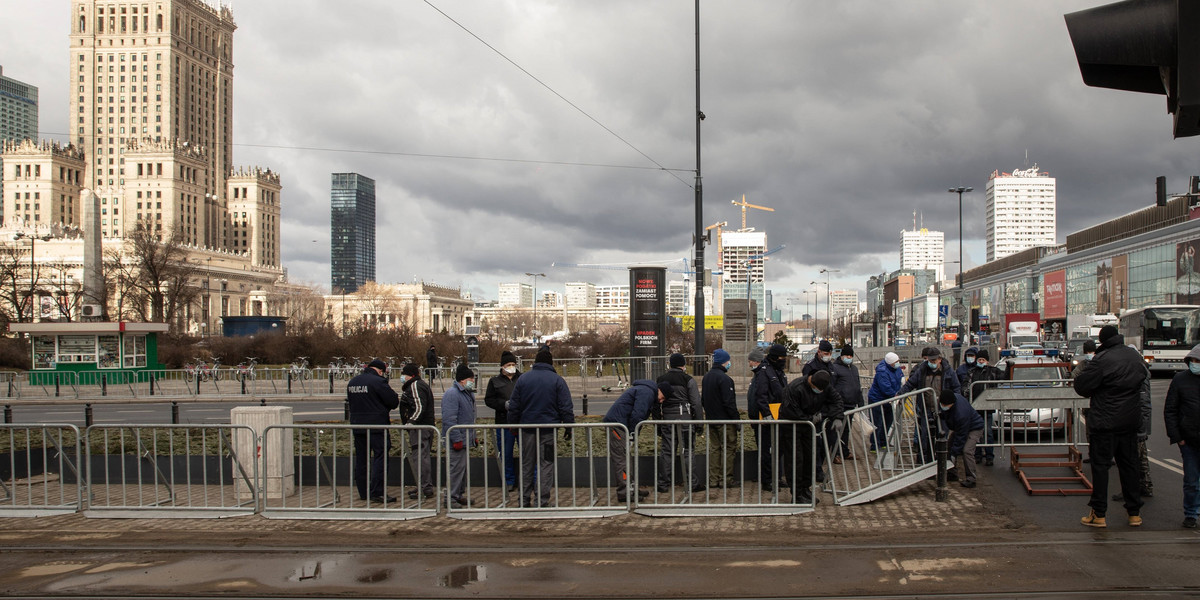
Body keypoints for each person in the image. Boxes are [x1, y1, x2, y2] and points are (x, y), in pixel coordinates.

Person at [1074, 325, 1146, 528]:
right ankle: (1134, 513)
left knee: (1101, 467)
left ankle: (1099, 514)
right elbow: (1142, 378)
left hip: (1104, 422)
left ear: (1103, 340)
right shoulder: (1134, 357)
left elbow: (1082, 386)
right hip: (1129, 420)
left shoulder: (1102, 360)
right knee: (1129, 466)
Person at [507, 348, 575, 508]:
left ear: (535, 362)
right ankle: (541, 502)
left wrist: (512, 425)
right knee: (546, 465)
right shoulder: (557, 380)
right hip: (548, 431)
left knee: (526, 465)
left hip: (527, 430)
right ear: (550, 363)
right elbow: (566, 406)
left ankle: (523, 501)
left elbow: (514, 406)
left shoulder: (523, 379)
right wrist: (569, 426)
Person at [780, 370, 842, 504]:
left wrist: (837, 417)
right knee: (796, 460)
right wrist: (809, 418)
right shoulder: (795, 388)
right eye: (817, 389)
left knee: (809, 458)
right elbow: (790, 410)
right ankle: (796, 494)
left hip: (808, 428)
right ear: (811, 382)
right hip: (792, 427)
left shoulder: (824, 386)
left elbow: (836, 399)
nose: (819, 391)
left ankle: (805, 489)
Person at [605, 380, 670, 502]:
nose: (661, 401)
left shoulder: (646, 391)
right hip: (618, 426)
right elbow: (638, 414)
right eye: (662, 398)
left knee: (626, 459)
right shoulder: (647, 393)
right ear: (660, 391)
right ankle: (625, 492)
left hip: (620, 424)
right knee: (622, 460)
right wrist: (632, 434)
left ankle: (631, 489)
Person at [347, 358, 400, 503]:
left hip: (358, 426)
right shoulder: (378, 382)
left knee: (361, 459)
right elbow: (393, 401)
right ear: (380, 370)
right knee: (380, 458)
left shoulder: (353, 382)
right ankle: (377, 492)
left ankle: (363, 492)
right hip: (377, 426)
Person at [899, 346, 962, 464]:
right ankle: (924, 461)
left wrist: (955, 403)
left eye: (934, 360)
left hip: (943, 409)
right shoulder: (922, 370)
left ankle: (941, 462)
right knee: (925, 437)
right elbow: (910, 384)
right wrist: (900, 395)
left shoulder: (948, 371)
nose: (931, 363)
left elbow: (956, 388)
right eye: (930, 360)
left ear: (939, 359)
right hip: (926, 408)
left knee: (942, 435)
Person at [656, 353, 704, 493]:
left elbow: (656, 402)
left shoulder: (661, 379)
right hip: (685, 420)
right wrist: (699, 423)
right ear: (682, 365)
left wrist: (658, 422)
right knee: (688, 451)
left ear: (670, 364)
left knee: (667, 452)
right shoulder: (688, 379)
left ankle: (663, 484)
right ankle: (692, 484)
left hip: (667, 420)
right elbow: (696, 403)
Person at [1164, 344, 1200, 529]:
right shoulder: (1180, 380)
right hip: (1189, 440)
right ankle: (1191, 513)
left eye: (1198, 361)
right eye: (1193, 361)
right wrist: (1178, 437)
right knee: (1192, 481)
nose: (1195, 364)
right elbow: (1170, 410)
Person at [749, 345, 787, 490]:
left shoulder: (778, 372)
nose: (783, 360)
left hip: (779, 417)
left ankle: (777, 477)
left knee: (777, 450)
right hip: (768, 419)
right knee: (767, 451)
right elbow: (761, 396)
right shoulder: (765, 372)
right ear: (774, 357)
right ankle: (767, 480)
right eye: (781, 358)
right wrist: (766, 415)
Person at [702, 348, 740, 488]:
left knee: (715, 449)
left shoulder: (707, 377)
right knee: (729, 449)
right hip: (725, 421)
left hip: (712, 419)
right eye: (728, 361)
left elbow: (703, 399)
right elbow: (729, 403)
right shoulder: (725, 379)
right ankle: (726, 479)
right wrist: (736, 420)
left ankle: (713, 480)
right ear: (724, 361)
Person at [442, 364, 477, 509]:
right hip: (457, 440)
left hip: (465, 438)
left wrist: (473, 436)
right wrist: (456, 439)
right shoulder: (452, 394)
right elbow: (449, 419)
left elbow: (470, 418)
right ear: (462, 380)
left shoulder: (468, 393)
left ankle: (458, 494)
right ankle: (450, 498)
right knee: (455, 470)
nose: (473, 381)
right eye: (471, 378)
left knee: (462, 470)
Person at [484, 351, 521, 492]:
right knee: (505, 453)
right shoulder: (495, 382)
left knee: (526, 453)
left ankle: (525, 480)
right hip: (504, 422)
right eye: (508, 365)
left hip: (521, 422)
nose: (511, 367)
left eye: (513, 364)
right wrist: (503, 404)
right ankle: (509, 480)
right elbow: (489, 400)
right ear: (502, 367)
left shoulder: (522, 378)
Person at [398, 362, 436, 500]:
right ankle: (423, 485)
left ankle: (425, 487)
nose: (402, 377)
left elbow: (420, 407)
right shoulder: (419, 385)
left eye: (404, 374)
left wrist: (411, 422)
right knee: (422, 457)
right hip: (424, 427)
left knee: (420, 458)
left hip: (420, 428)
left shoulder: (415, 386)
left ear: (411, 375)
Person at [937, 389, 985, 488]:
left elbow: (961, 436)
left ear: (952, 404)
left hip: (975, 428)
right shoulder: (948, 400)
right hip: (960, 428)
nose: (943, 406)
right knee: (948, 447)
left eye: (945, 405)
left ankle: (971, 479)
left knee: (967, 451)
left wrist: (955, 453)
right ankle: (952, 473)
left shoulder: (961, 413)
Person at [964, 349, 1003, 466]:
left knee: (988, 432)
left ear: (987, 361)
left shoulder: (993, 371)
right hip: (974, 407)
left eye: (983, 359)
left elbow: (1004, 377)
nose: (981, 361)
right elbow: (965, 385)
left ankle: (989, 456)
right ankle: (977, 455)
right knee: (975, 433)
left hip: (987, 407)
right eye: (979, 359)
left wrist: (1011, 368)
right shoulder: (971, 372)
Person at [829, 345, 863, 463]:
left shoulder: (854, 369)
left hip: (851, 404)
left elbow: (857, 386)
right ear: (842, 355)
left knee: (847, 430)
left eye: (850, 355)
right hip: (840, 405)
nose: (849, 357)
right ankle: (835, 453)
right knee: (837, 430)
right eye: (847, 355)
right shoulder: (835, 368)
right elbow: (832, 386)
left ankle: (844, 451)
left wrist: (860, 401)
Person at [867, 351, 904, 452]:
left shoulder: (896, 369)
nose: (898, 363)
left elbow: (900, 378)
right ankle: (875, 445)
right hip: (877, 399)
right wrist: (896, 395)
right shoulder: (882, 372)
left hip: (890, 399)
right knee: (877, 422)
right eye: (896, 362)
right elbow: (885, 388)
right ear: (890, 363)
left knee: (888, 420)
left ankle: (883, 442)